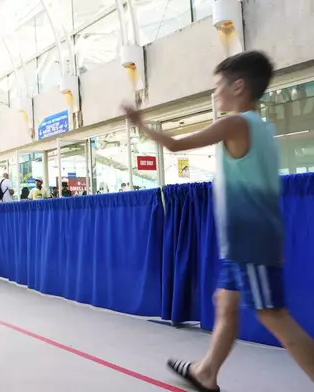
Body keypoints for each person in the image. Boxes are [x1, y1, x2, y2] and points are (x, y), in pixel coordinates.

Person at [123, 50, 314, 391]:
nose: (215, 94)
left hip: (249, 240)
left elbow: (176, 144)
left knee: (273, 315)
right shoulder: (263, 128)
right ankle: (206, 372)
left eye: (218, 86)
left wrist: (140, 125)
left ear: (239, 86)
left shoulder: (235, 123)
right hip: (247, 239)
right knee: (225, 303)